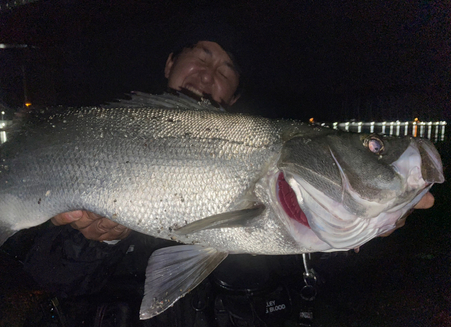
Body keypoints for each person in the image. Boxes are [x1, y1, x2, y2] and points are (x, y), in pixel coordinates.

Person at [49, 41, 435, 242]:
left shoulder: (262, 152)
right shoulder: (102, 130)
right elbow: (50, 271)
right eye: (201, 56)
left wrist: (360, 226)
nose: (205, 75)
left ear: (234, 97)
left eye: (225, 69)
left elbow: (295, 249)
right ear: (170, 63)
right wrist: (96, 243)